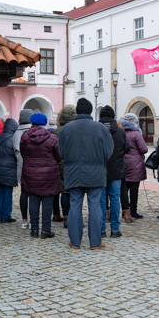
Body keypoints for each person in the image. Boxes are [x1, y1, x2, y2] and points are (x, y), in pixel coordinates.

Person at [58, 98, 114, 250]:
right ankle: (95, 242)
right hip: (96, 172)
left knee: (75, 204)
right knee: (95, 205)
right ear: (90, 111)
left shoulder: (66, 129)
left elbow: (61, 152)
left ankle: (75, 241)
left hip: (73, 171)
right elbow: (109, 151)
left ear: (78, 111)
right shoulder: (101, 128)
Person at [20, 113, 62, 238]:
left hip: (30, 172)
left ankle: (34, 229)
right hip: (49, 173)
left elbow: (23, 153)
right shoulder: (52, 138)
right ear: (44, 123)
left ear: (32, 122)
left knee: (33, 199)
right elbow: (59, 155)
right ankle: (46, 230)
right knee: (48, 201)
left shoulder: (25, 137)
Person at [98, 106, 129, 238]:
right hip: (116, 168)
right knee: (115, 198)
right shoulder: (120, 131)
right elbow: (127, 147)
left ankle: (102, 229)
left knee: (101, 200)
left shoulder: (97, 129)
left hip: (100, 169)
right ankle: (115, 229)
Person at [119, 113, 148, 221]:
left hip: (123, 162)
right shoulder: (136, 133)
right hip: (135, 164)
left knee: (124, 189)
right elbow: (144, 149)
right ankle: (133, 211)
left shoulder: (120, 131)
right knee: (134, 189)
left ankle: (125, 210)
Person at [0, 118, 19, 224]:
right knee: (7, 193)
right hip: (9, 169)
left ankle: (0, 215)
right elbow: (16, 154)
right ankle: (6, 215)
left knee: (0, 192)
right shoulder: (13, 139)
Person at [54, 105, 76, 228]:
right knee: (71, 191)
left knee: (62, 191)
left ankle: (63, 215)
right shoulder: (75, 129)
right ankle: (71, 217)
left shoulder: (56, 131)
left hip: (59, 163)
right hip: (72, 163)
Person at [13, 109, 34, 229]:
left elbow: (15, 151)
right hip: (33, 166)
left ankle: (25, 219)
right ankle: (33, 219)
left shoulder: (16, 133)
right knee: (34, 195)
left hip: (21, 166)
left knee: (24, 193)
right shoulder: (32, 131)